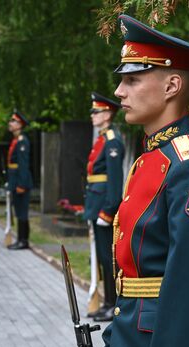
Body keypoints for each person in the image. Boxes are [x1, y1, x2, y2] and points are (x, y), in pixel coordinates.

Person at [96, 14, 189, 347]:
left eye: (132, 80)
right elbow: (132, 275)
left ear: (172, 86)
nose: (119, 92)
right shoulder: (151, 158)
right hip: (135, 337)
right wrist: (112, 345)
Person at [83, 92, 124, 322]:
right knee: (101, 257)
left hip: (104, 209)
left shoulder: (112, 141)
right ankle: (107, 302)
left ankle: (113, 305)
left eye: (96, 112)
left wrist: (108, 211)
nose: (92, 115)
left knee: (109, 259)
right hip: (96, 204)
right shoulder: (101, 139)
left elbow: (115, 180)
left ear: (107, 114)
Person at [7, 110, 33, 250]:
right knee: (18, 211)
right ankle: (21, 238)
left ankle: (23, 240)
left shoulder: (22, 141)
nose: (10, 123)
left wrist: (21, 184)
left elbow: (23, 164)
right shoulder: (16, 140)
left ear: (20, 125)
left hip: (21, 181)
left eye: (13, 121)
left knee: (22, 212)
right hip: (15, 180)